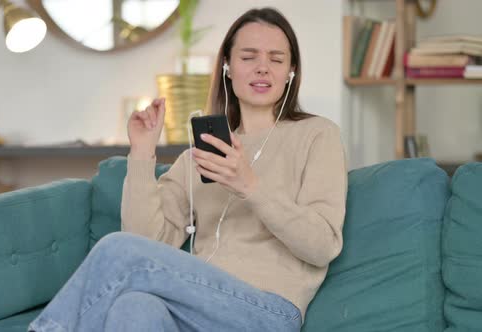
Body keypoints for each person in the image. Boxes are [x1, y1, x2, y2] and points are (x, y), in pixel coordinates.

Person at [29, 7, 347, 332]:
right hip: (193, 304)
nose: (263, 68)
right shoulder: (199, 155)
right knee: (134, 306)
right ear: (227, 66)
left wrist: (250, 185)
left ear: (291, 71)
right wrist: (141, 152)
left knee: (115, 248)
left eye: (276, 59)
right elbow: (146, 243)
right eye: (249, 57)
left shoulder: (318, 135)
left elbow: (322, 245)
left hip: (267, 311)